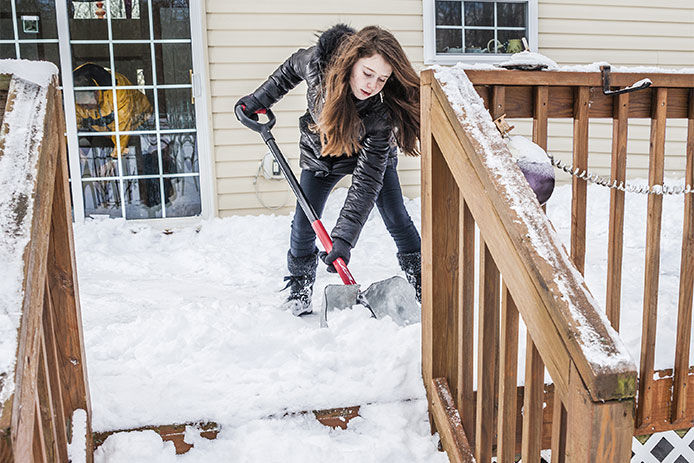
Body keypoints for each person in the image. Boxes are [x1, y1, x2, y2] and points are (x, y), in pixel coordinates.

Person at [235, 24, 421, 316]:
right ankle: (299, 289)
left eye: (382, 79)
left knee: (397, 217)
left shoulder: (379, 117)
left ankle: (421, 283)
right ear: (350, 62)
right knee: (302, 225)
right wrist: (259, 100)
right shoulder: (316, 65)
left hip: (368, 157)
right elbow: (288, 70)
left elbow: (366, 183)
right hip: (323, 152)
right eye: (367, 73)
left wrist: (343, 240)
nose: (372, 85)